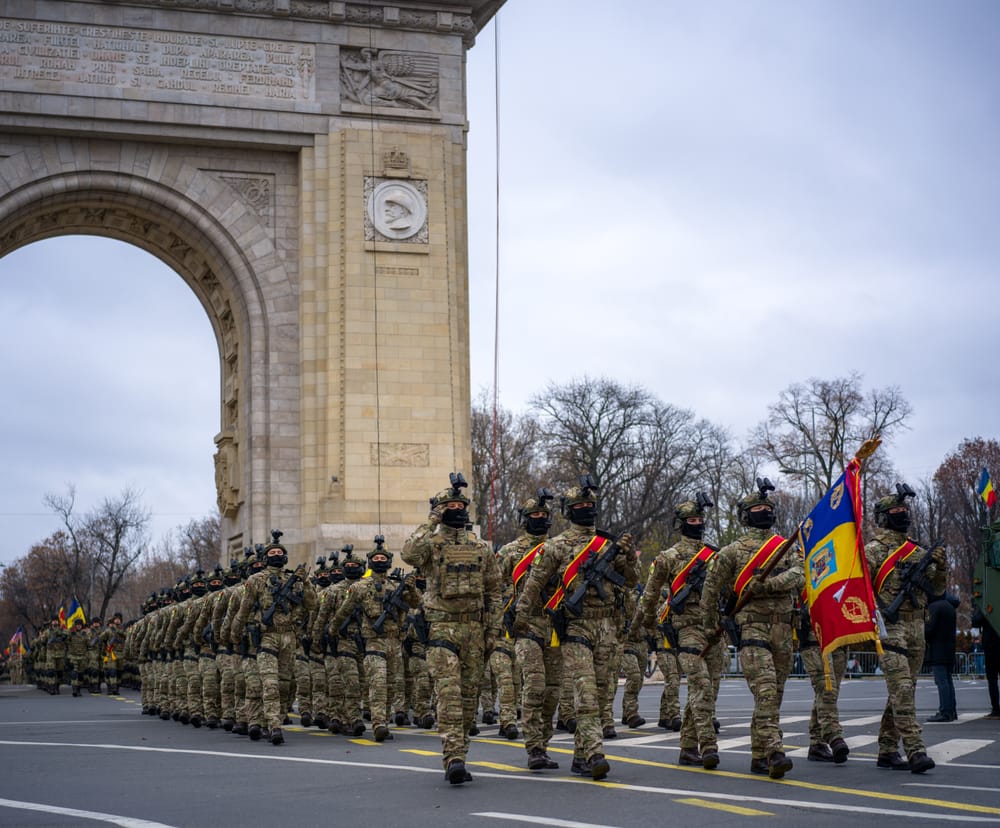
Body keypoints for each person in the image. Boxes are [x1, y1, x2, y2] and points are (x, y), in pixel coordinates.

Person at [515, 475, 638, 781]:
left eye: (589, 505)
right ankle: (596, 752)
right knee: (584, 691)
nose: (586, 509)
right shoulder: (556, 547)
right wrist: (519, 617)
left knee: (600, 692)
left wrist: (627, 558)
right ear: (568, 511)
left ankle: (581, 757)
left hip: (608, 626)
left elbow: (631, 582)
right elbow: (534, 584)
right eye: (580, 505)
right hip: (575, 627)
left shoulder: (608, 544)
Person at [401, 473, 502, 785]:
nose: (457, 509)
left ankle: (462, 751)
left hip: (474, 629)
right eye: (450, 505)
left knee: (470, 697)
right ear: (441, 510)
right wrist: (431, 520)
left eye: (461, 504)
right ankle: (453, 757)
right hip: (442, 629)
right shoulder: (430, 545)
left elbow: (494, 590)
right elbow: (408, 553)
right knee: (449, 694)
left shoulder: (480, 547)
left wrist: (493, 631)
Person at [701, 479, 803, 779]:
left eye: (767, 508)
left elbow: (800, 575)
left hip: (784, 629)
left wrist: (770, 584)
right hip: (752, 630)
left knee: (774, 695)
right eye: (758, 508)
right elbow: (710, 590)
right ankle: (774, 750)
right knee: (767, 692)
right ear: (745, 515)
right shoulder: (731, 552)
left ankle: (758, 755)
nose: (764, 512)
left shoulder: (785, 547)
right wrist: (712, 625)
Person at [637, 494, 722, 769]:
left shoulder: (715, 557)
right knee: (701, 686)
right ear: (682, 524)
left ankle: (687, 746)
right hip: (686, 630)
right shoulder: (668, 558)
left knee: (710, 689)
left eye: (699, 520)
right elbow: (649, 595)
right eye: (692, 520)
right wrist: (649, 624)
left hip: (713, 629)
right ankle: (708, 745)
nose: (696, 524)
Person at [865, 484, 945, 774]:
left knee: (904, 690)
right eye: (895, 511)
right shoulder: (872, 552)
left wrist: (942, 566)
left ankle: (887, 749)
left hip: (916, 628)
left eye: (904, 511)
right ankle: (915, 749)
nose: (901, 515)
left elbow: (938, 589)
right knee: (901, 688)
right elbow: (862, 590)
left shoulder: (918, 551)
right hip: (890, 628)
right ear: (883, 517)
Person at [330, 537, 421, 742]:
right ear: (370, 562)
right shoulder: (361, 588)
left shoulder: (395, 586)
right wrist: (334, 630)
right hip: (373, 641)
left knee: (390, 685)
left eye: (383, 557)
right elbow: (344, 611)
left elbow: (416, 602)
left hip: (394, 643)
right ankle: (378, 723)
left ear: (388, 562)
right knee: (378, 683)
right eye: (376, 558)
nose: (380, 560)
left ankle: (385, 722)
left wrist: (412, 587)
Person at [232, 532, 318, 746]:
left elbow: (312, 605)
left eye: (280, 552)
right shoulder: (256, 580)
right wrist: (236, 633)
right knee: (269, 683)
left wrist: (305, 582)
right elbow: (244, 609)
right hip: (267, 637)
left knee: (284, 685)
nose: (277, 555)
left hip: (289, 638)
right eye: (273, 552)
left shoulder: (294, 581)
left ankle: (267, 721)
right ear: (265, 557)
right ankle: (272, 726)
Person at [499, 488, 561, 770]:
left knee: (553, 691)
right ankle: (534, 748)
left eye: (543, 515)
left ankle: (544, 744)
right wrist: (506, 613)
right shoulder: (509, 552)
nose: (540, 518)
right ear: (525, 518)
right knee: (534, 684)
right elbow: (494, 586)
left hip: (555, 624)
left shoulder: (560, 548)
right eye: (534, 514)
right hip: (526, 625)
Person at [925, 593, 959, 722]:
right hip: (949, 649)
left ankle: (945, 712)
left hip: (937, 650)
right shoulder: (949, 606)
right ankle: (951, 711)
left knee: (941, 682)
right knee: (948, 681)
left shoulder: (934, 607)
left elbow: (929, 630)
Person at [972, 606, 1000, 718]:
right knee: (992, 679)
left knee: (992, 679)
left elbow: (975, 622)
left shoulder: (988, 606)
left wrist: (984, 611)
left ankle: (996, 709)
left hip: (992, 646)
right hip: (992, 646)